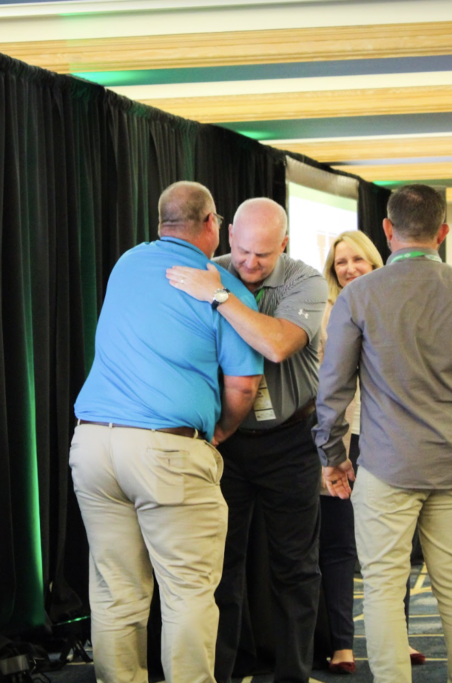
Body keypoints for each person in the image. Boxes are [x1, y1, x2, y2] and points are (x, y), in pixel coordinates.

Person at [314, 184, 452, 683]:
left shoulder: (358, 296)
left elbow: (333, 389)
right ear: (444, 233)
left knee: (382, 584)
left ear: (387, 230)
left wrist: (332, 456)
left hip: (385, 466)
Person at [70, 181, 264, 683]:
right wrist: (218, 432)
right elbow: (243, 387)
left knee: (116, 592)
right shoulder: (222, 287)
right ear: (210, 223)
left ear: (161, 223)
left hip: (93, 445)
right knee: (188, 592)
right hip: (166, 450)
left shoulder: (127, 263)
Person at [166, 197, 328, 683]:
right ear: (229, 234)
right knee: (220, 566)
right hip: (227, 441)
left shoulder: (305, 280)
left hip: (291, 440)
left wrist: (221, 297)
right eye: (241, 253)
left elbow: (276, 344)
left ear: (284, 243)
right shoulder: (209, 269)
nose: (250, 264)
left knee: (295, 568)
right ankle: (224, 672)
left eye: (263, 255)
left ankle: (293, 674)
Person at [317, 232, 426, 673]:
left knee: (393, 546)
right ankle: (343, 643)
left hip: (387, 438)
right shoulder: (326, 313)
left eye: (356, 259)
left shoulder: (394, 305)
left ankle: (398, 637)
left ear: (375, 261)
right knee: (340, 544)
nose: (348, 268)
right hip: (340, 439)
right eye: (340, 262)